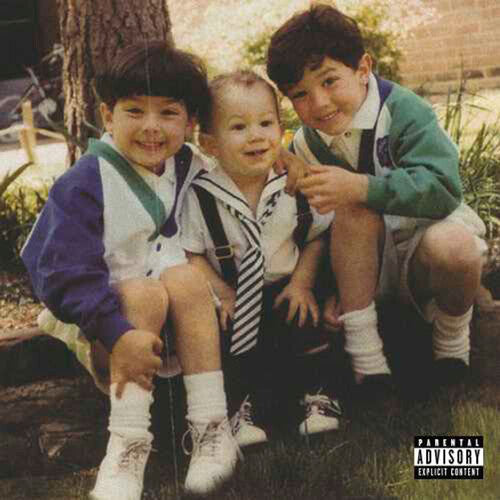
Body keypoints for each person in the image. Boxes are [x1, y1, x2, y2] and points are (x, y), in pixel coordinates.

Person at [21, 42, 240, 499]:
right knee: (142, 292)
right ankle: (127, 444)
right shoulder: (85, 182)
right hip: (108, 328)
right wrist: (116, 332)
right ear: (108, 114)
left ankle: (211, 429)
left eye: (168, 113)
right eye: (135, 111)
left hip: (178, 323)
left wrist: (287, 161)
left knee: (185, 279)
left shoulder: (187, 163)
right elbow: (60, 272)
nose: (151, 127)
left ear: (190, 121)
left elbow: (242, 168)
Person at [266, 5, 487, 402]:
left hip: (425, 250)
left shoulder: (403, 111)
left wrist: (363, 186)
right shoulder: (306, 143)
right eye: (300, 94)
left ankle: (451, 344)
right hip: (366, 268)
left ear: (363, 68)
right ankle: (368, 363)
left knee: (456, 247)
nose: (319, 103)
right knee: (350, 210)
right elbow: (313, 226)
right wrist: (328, 287)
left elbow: (442, 188)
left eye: (330, 81)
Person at [180, 70, 342, 447]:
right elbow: (192, 252)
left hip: (288, 286)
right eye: (239, 127)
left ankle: (318, 396)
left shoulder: (294, 184)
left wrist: (302, 282)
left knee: (305, 322)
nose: (256, 135)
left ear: (281, 132)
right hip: (235, 293)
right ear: (209, 143)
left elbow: (317, 237)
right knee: (225, 338)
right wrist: (222, 293)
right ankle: (240, 409)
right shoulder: (201, 196)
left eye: (266, 123)